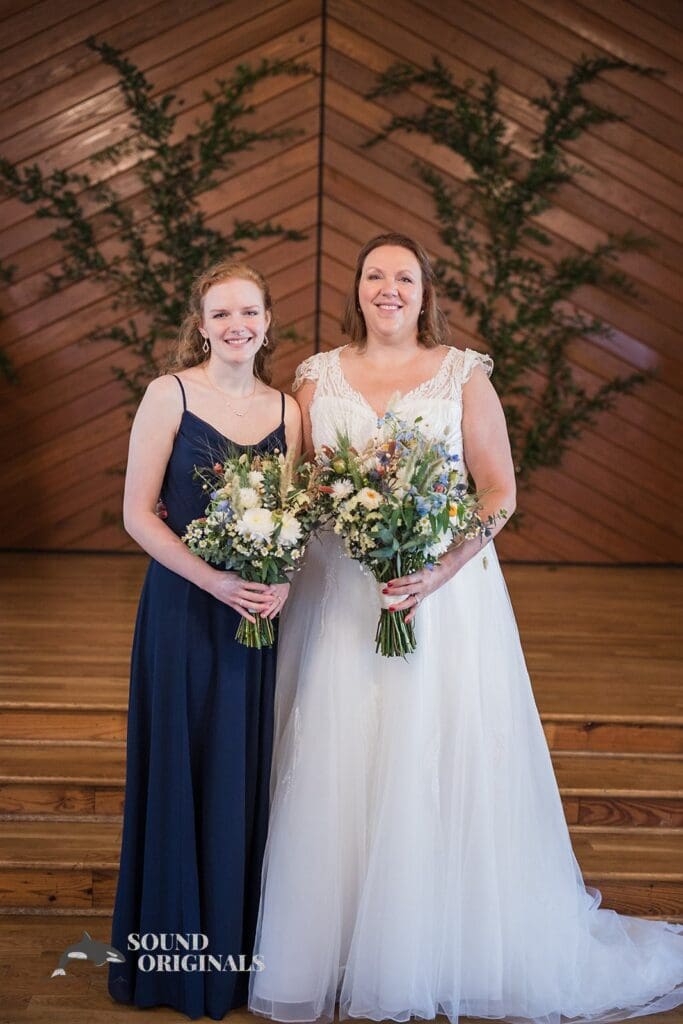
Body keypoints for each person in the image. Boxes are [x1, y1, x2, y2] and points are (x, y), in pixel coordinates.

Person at [249, 233, 683, 1024]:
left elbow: (497, 492)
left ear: (423, 293)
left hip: (443, 600)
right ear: (357, 289)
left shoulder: (461, 375)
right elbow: (298, 488)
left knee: (434, 753)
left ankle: (436, 941)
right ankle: (343, 941)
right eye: (374, 274)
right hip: (343, 597)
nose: (388, 288)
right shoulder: (316, 377)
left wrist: (434, 571)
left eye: (402, 277)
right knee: (340, 761)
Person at [108, 259, 301, 1020]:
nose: (236, 326)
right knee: (182, 765)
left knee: (239, 771)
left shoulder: (289, 409)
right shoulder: (170, 394)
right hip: (184, 610)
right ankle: (170, 964)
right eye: (221, 315)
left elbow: (295, 514)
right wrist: (213, 580)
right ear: (201, 322)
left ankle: (235, 957)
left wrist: (278, 578)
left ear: (266, 320)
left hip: (255, 614)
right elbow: (137, 513)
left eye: (248, 313)